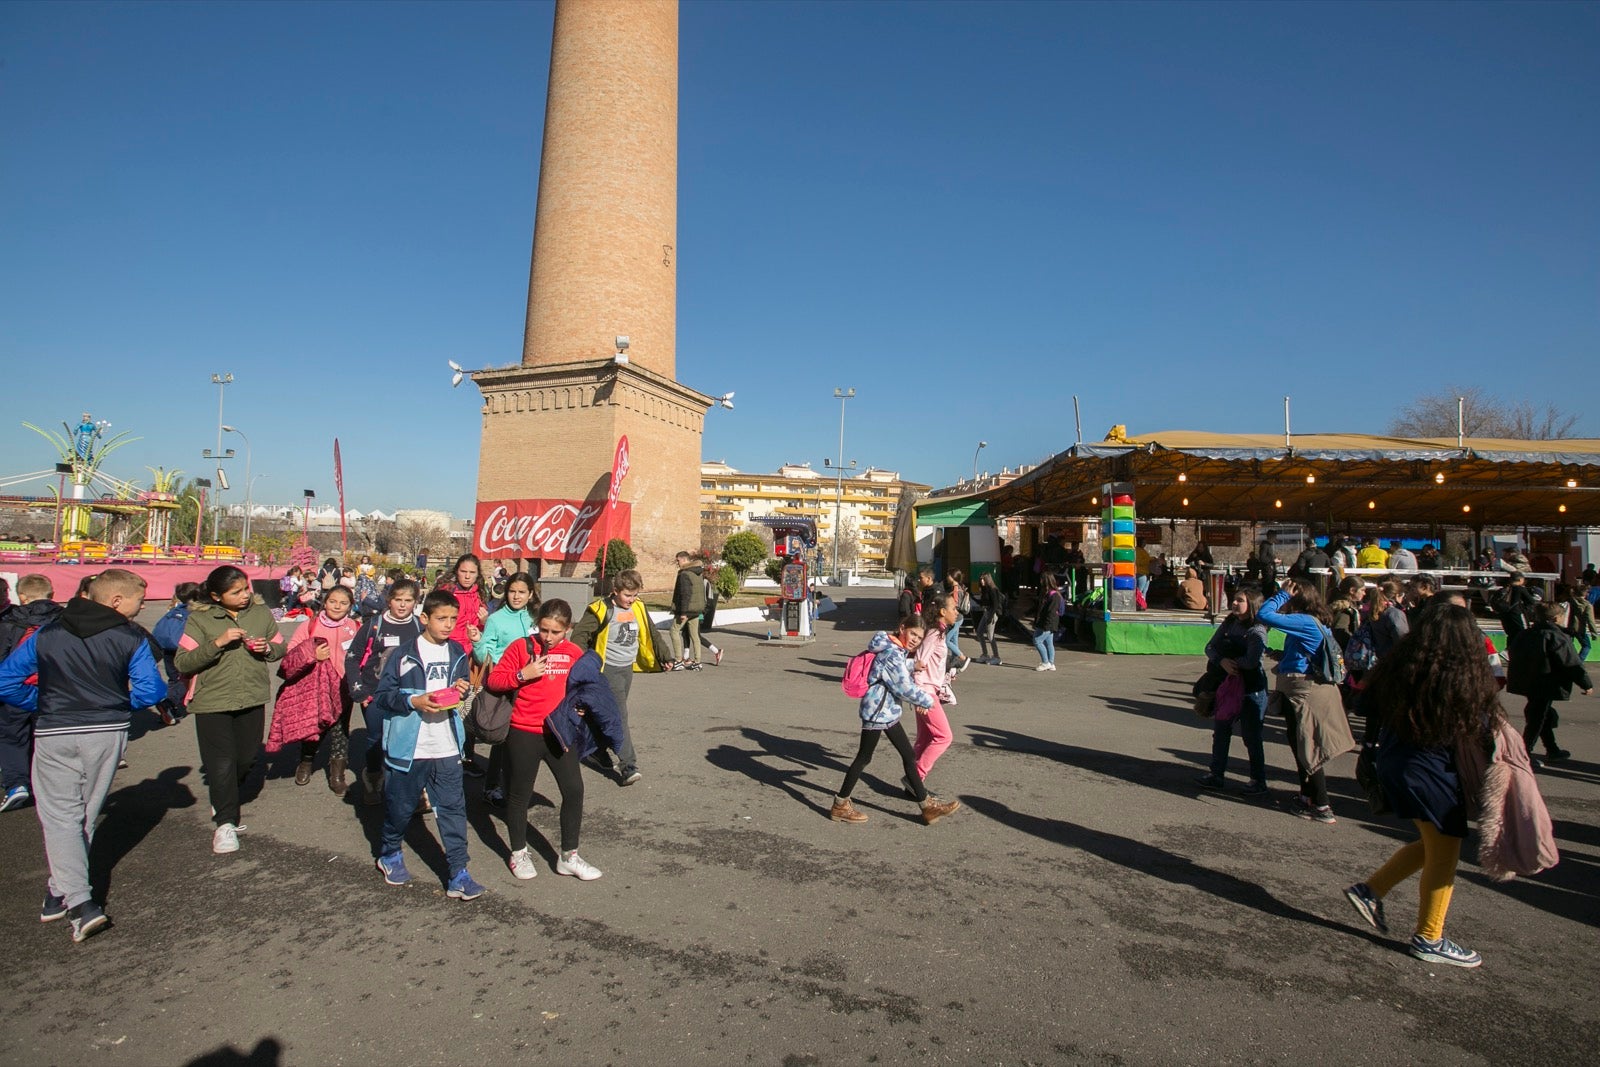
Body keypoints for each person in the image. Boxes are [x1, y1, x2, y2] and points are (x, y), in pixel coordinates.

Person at [0, 569, 165, 942]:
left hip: (56, 728)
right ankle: (68, 896)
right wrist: (118, 706)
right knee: (85, 813)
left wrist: (41, 704)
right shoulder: (130, 636)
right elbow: (151, 690)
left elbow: (5, 681)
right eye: (140, 600)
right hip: (106, 730)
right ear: (116, 601)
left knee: (60, 817)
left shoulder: (47, 634)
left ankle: (73, 898)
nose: (142, 607)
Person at [1343, 603, 1507, 968]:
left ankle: (1370, 890)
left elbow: (1364, 701)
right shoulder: (1461, 677)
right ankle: (1429, 936)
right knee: (1446, 849)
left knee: (1434, 841)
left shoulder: (1402, 665)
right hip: (1431, 771)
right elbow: (1479, 726)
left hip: (1395, 762)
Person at [370, 589, 485, 901]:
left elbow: (459, 691)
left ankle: (459, 872)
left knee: (453, 809)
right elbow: (383, 698)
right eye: (441, 618)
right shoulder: (403, 654)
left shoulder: (458, 652)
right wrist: (413, 700)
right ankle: (390, 851)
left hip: (446, 746)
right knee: (401, 806)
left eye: (452, 619)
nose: (448, 625)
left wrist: (460, 690)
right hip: (410, 748)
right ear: (425, 619)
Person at [486, 599, 610, 881]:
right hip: (523, 732)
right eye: (544, 630)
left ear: (567, 629)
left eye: (556, 632)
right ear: (537, 624)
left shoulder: (572, 652)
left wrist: (580, 705)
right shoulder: (521, 647)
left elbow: (582, 687)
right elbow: (494, 681)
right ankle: (519, 853)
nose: (549, 638)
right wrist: (522, 674)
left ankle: (569, 857)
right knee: (519, 795)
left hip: (558, 732)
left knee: (574, 790)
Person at [175, 565, 286, 855]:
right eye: (235, 592)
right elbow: (183, 662)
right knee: (220, 762)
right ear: (216, 595)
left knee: (247, 758)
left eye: (246, 588)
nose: (244, 595)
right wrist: (218, 643)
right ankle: (225, 823)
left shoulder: (260, 614)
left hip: (252, 696)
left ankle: (225, 793)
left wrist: (266, 650)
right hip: (212, 699)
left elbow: (279, 647)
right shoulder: (200, 619)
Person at [829, 615, 960, 826]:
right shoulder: (892, 652)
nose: (916, 640)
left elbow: (893, 668)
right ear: (902, 628)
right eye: (913, 634)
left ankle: (926, 807)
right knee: (864, 758)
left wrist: (911, 665)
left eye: (919, 637)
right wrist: (928, 701)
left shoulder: (893, 648)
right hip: (878, 713)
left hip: (885, 713)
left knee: (908, 756)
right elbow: (902, 687)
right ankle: (840, 804)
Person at [1258, 578, 1355, 825]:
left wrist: (1281, 594)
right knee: (1299, 741)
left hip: (1304, 690)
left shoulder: (1303, 621)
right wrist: (1281, 655)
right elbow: (1304, 653)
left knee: (1308, 745)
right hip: (1302, 687)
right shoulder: (1315, 623)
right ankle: (1307, 795)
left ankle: (1322, 805)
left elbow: (1264, 614)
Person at [571, 569, 666, 786]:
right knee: (620, 716)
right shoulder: (600, 610)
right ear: (615, 591)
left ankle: (595, 749)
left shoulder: (638, 606)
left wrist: (665, 655)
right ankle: (628, 765)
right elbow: (579, 637)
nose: (631, 600)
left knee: (606, 712)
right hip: (607, 670)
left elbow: (651, 632)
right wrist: (581, 665)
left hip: (627, 669)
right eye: (627, 595)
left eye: (635, 595)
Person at [268, 584, 363, 795]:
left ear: (351, 606)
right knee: (314, 727)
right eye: (333, 601)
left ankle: (337, 775)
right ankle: (306, 762)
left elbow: (363, 655)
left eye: (343, 603)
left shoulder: (356, 627)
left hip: (342, 687)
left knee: (340, 730)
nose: (337, 606)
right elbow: (292, 651)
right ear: (325, 602)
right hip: (315, 686)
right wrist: (313, 655)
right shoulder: (311, 625)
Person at [346, 579, 424, 804]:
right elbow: (352, 659)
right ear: (389, 600)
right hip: (375, 694)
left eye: (408, 600)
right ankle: (373, 778)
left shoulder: (419, 627)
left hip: (408, 695)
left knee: (410, 740)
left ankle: (412, 788)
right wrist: (360, 692)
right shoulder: (373, 625)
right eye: (397, 600)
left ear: (415, 602)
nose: (402, 605)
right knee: (376, 739)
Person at [1195, 588, 1269, 796]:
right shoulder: (1229, 623)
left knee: (1251, 736)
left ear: (1252, 604)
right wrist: (1221, 661)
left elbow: (1253, 661)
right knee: (1221, 731)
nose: (1234, 603)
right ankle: (1216, 774)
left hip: (1251, 688)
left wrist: (1233, 663)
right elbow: (1210, 648)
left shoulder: (1257, 630)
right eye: (1234, 599)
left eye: (1240, 600)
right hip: (1226, 686)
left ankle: (1258, 780)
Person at [472, 571, 536, 804]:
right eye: (512, 591)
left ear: (530, 594)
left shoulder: (535, 618)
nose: (516, 597)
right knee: (503, 737)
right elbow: (483, 656)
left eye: (521, 592)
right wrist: (477, 642)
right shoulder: (496, 619)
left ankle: (516, 787)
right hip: (505, 684)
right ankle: (492, 786)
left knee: (524, 740)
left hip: (530, 686)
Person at [0, 574, 62, 812]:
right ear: (52, 594)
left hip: (16, 689)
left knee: (12, 737)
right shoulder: (65, 620)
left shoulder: (11, 621)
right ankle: (48, 785)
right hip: (52, 689)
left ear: (22, 596)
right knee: (46, 739)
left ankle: (17, 784)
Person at [1506, 602, 1593, 767]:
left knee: (1541, 713)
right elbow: (1570, 663)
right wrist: (1585, 683)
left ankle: (1552, 749)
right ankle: (1524, 752)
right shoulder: (1555, 636)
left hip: (1528, 681)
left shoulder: (1526, 633)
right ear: (1556, 618)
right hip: (1546, 682)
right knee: (1537, 717)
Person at [434, 554, 489, 774]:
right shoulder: (446, 593)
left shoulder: (480, 596)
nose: (467, 576)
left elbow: (484, 631)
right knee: (445, 704)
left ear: (477, 575)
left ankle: (467, 755)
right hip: (448, 654)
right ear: (457, 571)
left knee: (468, 705)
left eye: (471, 572)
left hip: (471, 658)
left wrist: (485, 621)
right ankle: (442, 755)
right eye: (463, 571)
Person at [911, 593, 959, 790]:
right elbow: (919, 663)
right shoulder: (933, 634)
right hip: (925, 693)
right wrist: (920, 697)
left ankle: (912, 778)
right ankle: (916, 777)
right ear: (942, 612)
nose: (957, 612)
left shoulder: (939, 632)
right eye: (953, 608)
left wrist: (945, 676)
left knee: (925, 738)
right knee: (943, 737)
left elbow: (931, 664)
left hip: (928, 690)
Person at [150, 582, 205, 723]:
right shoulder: (197, 612)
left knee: (174, 678)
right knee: (185, 679)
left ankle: (170, 708)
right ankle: (170, 703)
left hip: (167, 647)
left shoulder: (175, 609)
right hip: (183, 648)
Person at [667, 551, 708, 670]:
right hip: (697, 608)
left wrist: (683, 612)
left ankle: (679, 660)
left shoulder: (685, 574)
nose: (677, 563)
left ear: (684, 560)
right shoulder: (698, 572)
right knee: (695, 635)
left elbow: (685, 594)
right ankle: (698, 662)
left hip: (687, 609)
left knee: (674, 631)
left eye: (678, 560)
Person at [1487, 572, 1538, 639]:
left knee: (1510, 634)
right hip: (1517, 613)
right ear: (1520, 580)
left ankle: (1510, 647)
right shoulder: (1520, 589)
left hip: (1504, 614)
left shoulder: (1503, 590)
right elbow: (1531, 601)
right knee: (1523, 632)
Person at [1554, 582, 1596, 664]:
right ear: (1586, 594)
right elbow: (1590, 620)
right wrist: (1593, 633)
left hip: (1570, 627)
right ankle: (1579, 661)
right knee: (1587, 646)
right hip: (1580, 628)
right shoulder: (1587, 605)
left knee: (1569, 645)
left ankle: (1565, 659)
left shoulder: (1571, 601)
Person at [1368, 580, 1411, 660]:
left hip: (1377, 656)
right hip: (1392, 659)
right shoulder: (1395, 613)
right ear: (1397, 595)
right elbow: (1401, 638)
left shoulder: (1375, 611)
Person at [1029, 572, 1063, 672]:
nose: (1040, 581)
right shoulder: (1047, 593)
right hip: (1046, 623)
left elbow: (1051, 613)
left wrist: (1045, 625)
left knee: (1037, 640)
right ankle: (1051, 663)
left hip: (1047, 623)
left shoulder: (1054, 596)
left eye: (1042, 579)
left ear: (1046, 581)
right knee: (1049, 643)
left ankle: (1045, 662)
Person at [973, 571, 1006, 665]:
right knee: (979, 632)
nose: (982, 581)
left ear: (988, 579)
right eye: (981, 579)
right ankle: (985, 654)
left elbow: (995, 605)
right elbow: (983, 603)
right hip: (986, 612)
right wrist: (972, 597)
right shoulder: (984, 589)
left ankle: (997, 657)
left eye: (983, 579)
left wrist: (990, 617)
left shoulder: (992, 589)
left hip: (992, 613)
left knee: (990, 636)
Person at [943, 570, 971, 673]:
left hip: (956, 618)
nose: (947, 577)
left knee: (946, 640)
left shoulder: (955, 590)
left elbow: (954, 605)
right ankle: (955, 664)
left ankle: (963, 658)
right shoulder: (960, 587)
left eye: (948, 575)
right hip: (959, 618)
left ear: (952, 577)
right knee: (954, 641)